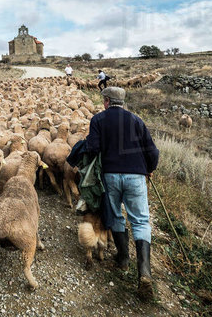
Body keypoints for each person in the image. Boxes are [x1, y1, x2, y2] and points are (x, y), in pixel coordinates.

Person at [85, 86, 159, 300]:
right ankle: (144, 272)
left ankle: (123, 259)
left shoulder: (98, 120)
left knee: (116, 215)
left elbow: (93, 148)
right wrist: (150, 168)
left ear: (107, 101)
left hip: (110, 176)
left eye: (103, 100)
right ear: (123, 102)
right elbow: (152, 151)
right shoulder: (136, 121)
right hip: (135, 176)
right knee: (141, 221)